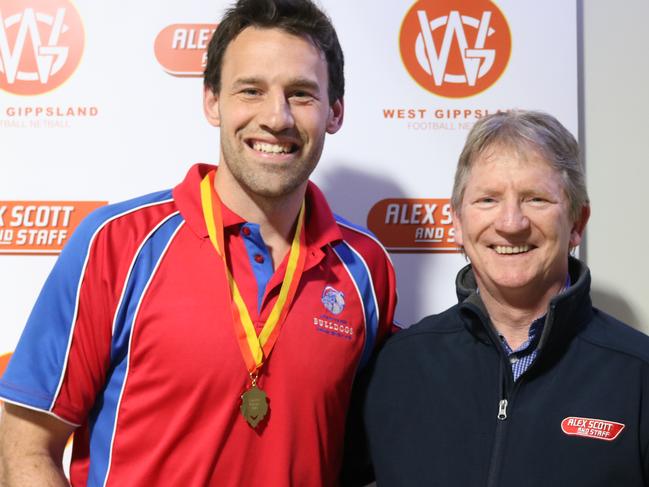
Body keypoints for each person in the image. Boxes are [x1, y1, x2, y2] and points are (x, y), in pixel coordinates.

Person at [0, 0, 397, 485]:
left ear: (334, 112)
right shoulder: (117, 244)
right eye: (251, 90)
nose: (277, 117)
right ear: (212, 101)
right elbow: (24, 446)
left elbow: (365, 456)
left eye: (301, 94)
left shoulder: (365, 269)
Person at [363, 110, 649, 486]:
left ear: (577, 223)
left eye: (536, 199)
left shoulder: (638, 373)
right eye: (488, 200)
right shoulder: (396, 366)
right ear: (457, 224)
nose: (511, 223)